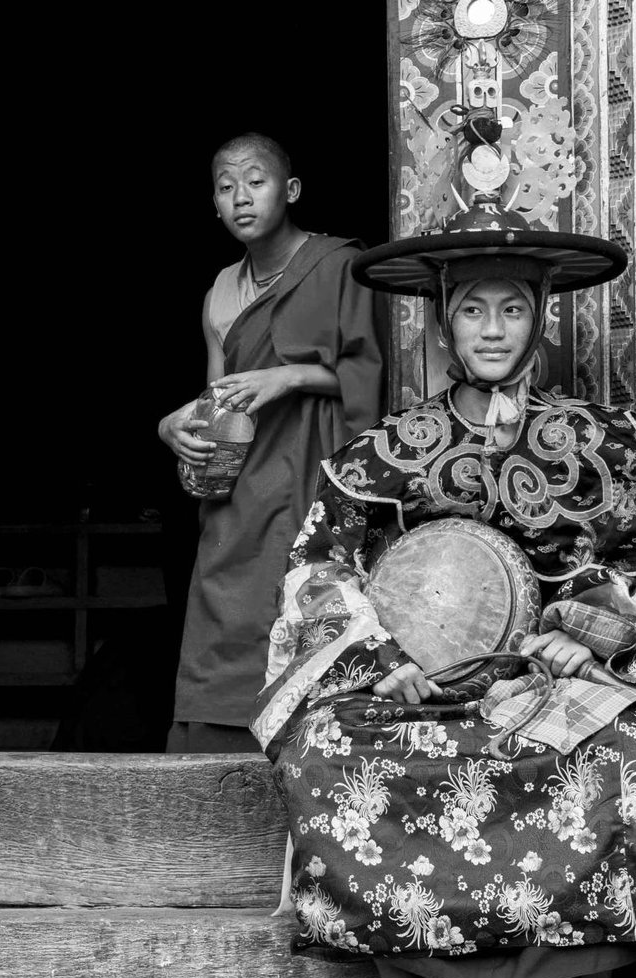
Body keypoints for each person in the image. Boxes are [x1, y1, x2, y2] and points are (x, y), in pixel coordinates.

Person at [254, 201, 636, 978]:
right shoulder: (386, 449)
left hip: (547, 682)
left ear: (540, 316)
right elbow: (318, 567)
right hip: (419, 691)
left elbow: (630, 564)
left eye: (511, 308)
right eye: (473, 309)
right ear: (443, 321)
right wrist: (381, 656)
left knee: (634, 753)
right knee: (320, 748)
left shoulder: (599, 442)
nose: (493, 328)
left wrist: (584, 632)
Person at [159, 132, 384, 754]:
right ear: (213, 203)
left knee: (310, 597)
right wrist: (170, 427)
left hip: (318, 464)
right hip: (245, 478)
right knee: (226, 599)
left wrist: (287, 376)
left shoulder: (338, 266)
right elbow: (218, 399)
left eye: (255, 182)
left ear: (290, 191)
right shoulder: (220, 291)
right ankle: (217, 745)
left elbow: (369, 377)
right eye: (226, 187)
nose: (241, 198)